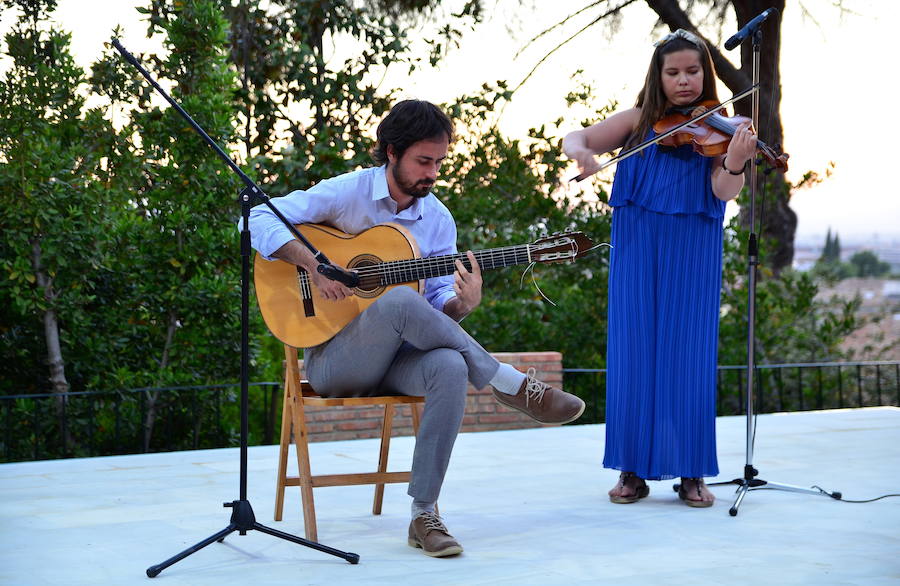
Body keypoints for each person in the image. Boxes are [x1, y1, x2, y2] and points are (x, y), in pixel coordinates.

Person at [247, 99, 585, 556]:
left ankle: (423, 515)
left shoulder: (437, 219)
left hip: (397, 358)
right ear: (390, 152)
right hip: (332, 360)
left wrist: (461, 305)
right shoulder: (347, 193)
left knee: (447, 364)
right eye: (423, 161)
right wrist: (314, 265)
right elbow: (258, 214)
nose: (432, 173)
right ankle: (509, 383)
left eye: (439, 162)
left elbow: (434, 309)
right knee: (400, 298)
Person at [562, 29, 756, 507]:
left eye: (693, 71)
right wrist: (583, 152)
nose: (684, 81)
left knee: (688, 354)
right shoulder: (638, 122)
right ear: (659, 76)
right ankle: (631, 471)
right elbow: (577, 136)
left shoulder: (724, 127)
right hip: (638, 247)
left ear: (705, 73)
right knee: (634, 352)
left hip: (692, 250)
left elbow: (723, 193)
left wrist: (734, 162)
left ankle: (692, 473)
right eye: (673, 72)